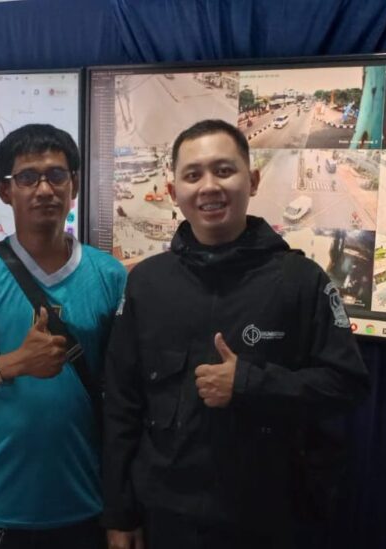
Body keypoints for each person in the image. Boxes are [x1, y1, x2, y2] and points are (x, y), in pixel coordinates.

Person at [102, 119, 370, 549]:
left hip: (271, 517)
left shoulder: (301, 281)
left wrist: (248, 383)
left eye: (224, 170)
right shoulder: (146, 284)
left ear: (254, 180)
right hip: (167, 517)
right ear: (173, 192)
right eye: (193, 175)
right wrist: (119, 512)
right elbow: (121, 403)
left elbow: (346, 385)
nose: (209, 186)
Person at [0, 124, 126, 549]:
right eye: (28, 177)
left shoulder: (108, 275)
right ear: (5, 190)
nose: (44, 189)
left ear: (74, 186)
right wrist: (16, 363)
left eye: (56, 175)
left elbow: (125, 397)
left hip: (84, 500)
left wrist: (123, 508)